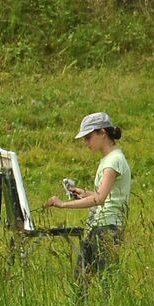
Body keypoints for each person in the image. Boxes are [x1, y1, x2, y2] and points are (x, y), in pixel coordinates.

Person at [46, 112, 131, 287]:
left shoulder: (112, 162)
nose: (86, 143)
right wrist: (84, 193)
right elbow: (106, 195)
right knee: (81, 278)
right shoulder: (110, 159)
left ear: (102, 133)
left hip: (107, 229)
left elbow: (99, 199)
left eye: (88, 137)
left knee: (107, 283)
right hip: (99, 227)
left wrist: (63, 205)